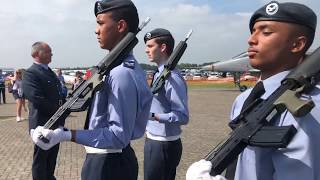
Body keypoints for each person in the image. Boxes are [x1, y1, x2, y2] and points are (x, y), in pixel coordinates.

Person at [186, 1, 319, 180]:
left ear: (297, 45)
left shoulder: (305, 106)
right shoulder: (243, 99)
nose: (251, 40)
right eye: (253, 32)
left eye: (266, 32)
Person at [31, 1, 153, 180]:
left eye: (101, 23)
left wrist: (66, 135)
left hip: (109, 164)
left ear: (120, 26)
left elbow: (118, 136)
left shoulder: (121, 73)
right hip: (105, 159)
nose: (97, 30)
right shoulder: (116, 68)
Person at [143, 28, 189, 180]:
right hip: (156, 141)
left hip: (162, 145)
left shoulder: (171, 77)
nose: (146, 50)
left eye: (150, 46)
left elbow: (182, 116)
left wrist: (152, 116)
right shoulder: (160, 73)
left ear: (163, 47)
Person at [22, 41, 65, 180]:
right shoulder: (31, 73)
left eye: (51, 51)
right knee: (41, 158)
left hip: (56, 122)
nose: (51, 54)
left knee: (52, 155)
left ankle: (49, 176)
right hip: (42, 123)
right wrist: (59, 109)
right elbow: (36, 98)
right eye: (47, 51)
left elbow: (58, 93)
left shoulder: (49, 71)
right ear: (35, 54)